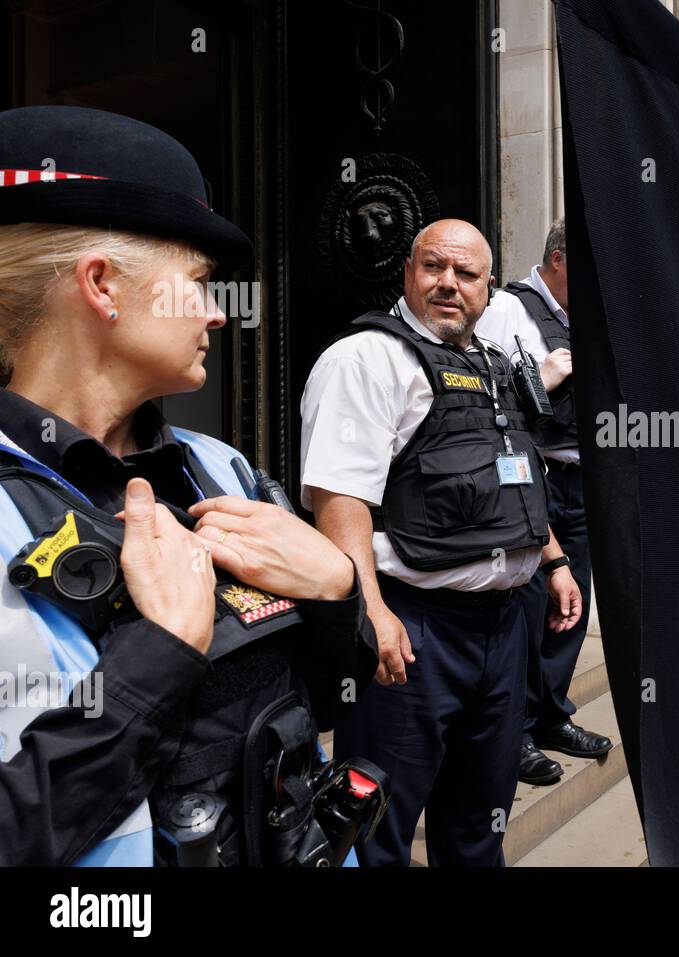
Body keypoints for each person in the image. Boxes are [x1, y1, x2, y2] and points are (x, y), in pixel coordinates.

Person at [0, 106, 377, 866]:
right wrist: (160, 654)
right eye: (199, 283)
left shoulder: (220, 466)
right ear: (102, 284)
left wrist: (338, 591)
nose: (215, 313)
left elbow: (337, 685)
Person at [300, 218, 583, 867]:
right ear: (407, 273)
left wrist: (556, 560)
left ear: (488, 287)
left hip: (505, 628)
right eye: (434, 267)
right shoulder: (365, 360)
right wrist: (369, 612)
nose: (449, 284)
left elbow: (513, 475)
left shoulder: (490, 362)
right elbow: (340, 500)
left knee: (479, 828)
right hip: (413, 627)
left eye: (466, 274)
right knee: (375, 832)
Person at [476, 217, 612, 787]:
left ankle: (552, 713)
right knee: (529, 609)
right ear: (559, 260)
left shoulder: (584, 316)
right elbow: (482, 389)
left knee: (570, 606)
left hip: (582, 482)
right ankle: (519, 731)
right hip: (532, 477)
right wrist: (546, 379)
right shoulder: (509, 308)